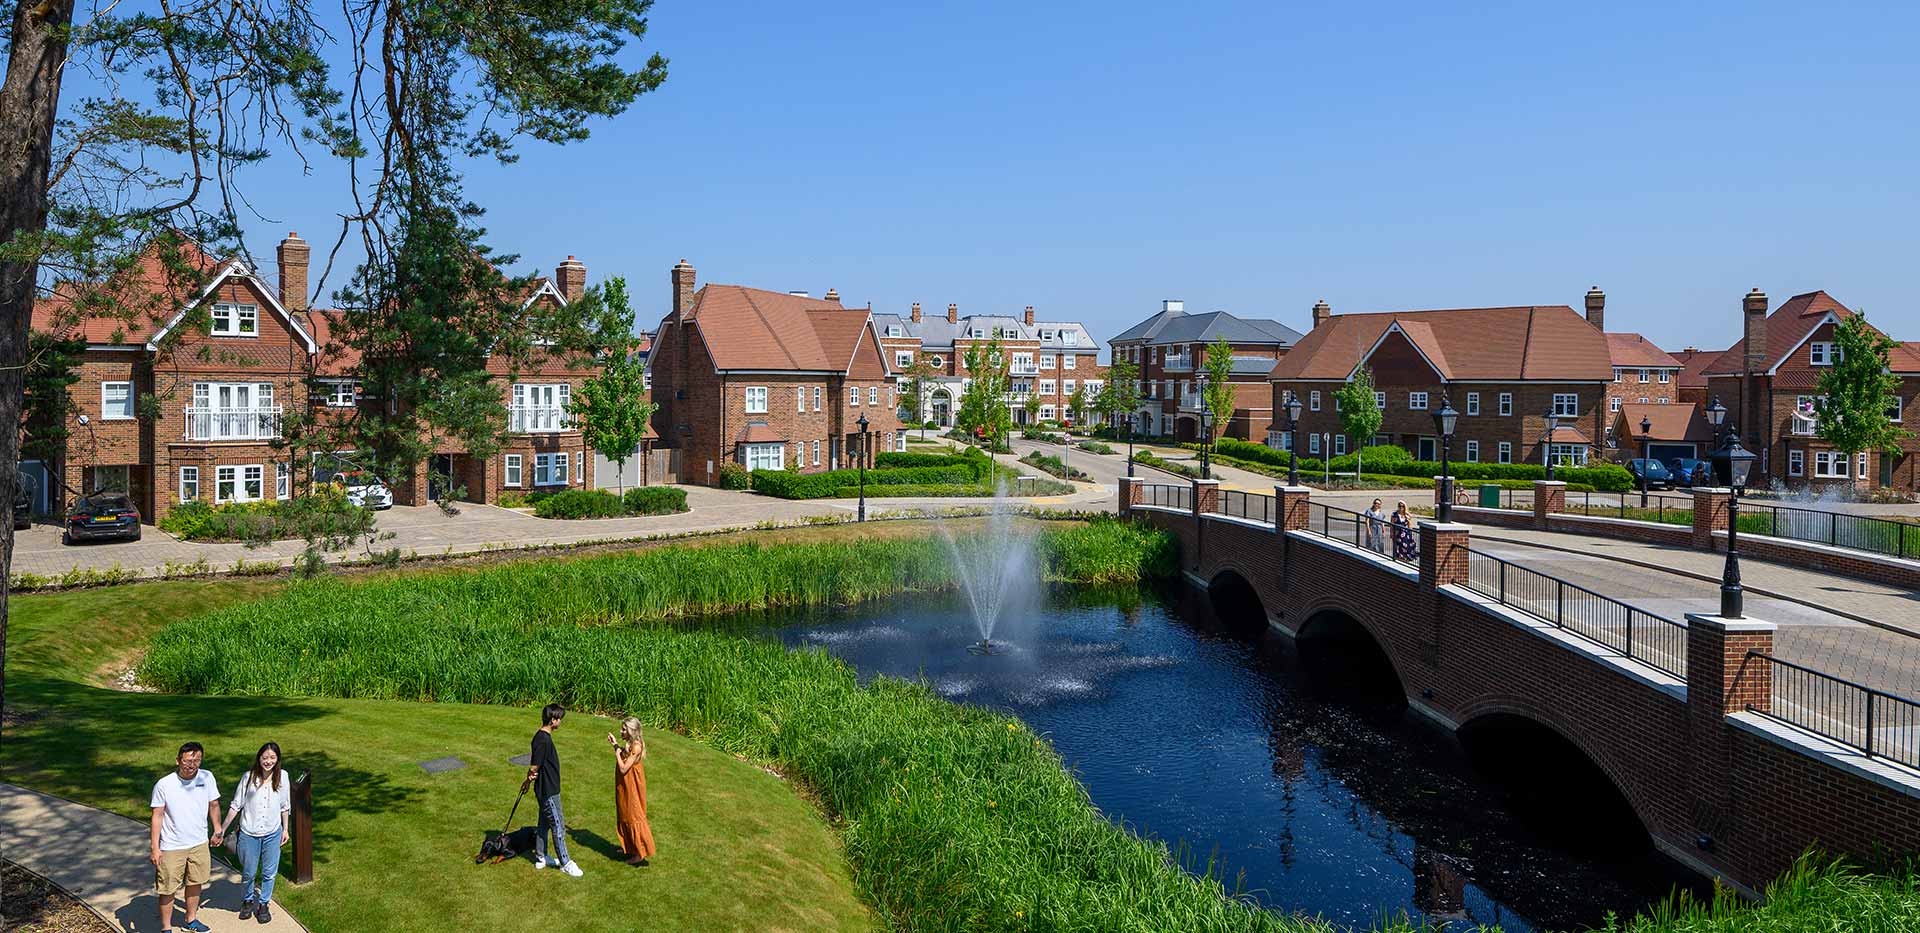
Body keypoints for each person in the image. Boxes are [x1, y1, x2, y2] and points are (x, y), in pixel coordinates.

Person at [151, 741, 222, 933]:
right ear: (178, 761)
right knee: (167, 889)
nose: (192, 765)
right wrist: (155, 848)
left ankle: (191, 920)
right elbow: (157, 815)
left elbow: (213, 804)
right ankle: (166, 928)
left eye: (197, 760)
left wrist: (217, 829)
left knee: (195, 882)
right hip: (172, 846)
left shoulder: (207, 777)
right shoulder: (164, 784)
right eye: (188, 760)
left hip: (199, 843)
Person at [220, 742, 291, 923]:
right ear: (259, 758)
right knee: (249, 872)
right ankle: (247, 900)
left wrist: (286, 829)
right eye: (265, 757)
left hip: (272, 833)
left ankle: (264, 903)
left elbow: (285, 806)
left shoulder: (283, 777)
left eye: (272, 758)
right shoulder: (248, 778)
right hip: (249, 833)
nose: (268, 761)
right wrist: (222, 829)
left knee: (269, 872)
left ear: (278, 759)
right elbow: (236, 805)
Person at [524, 703, 583, 876]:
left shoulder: (542, 737)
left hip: (547, 788)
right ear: (552, 720)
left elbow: (537, 766)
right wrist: (528, 779)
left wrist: (530, 778)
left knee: (544, 824)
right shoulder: (542, 739)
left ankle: (541, 857)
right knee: (558, 826)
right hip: (548, 791)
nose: (560, 722)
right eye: (559, 719)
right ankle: (565, 862)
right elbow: (534, 766)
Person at [609, 717, 656, 865]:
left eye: (624, 729)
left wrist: (616, 751)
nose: (621, 731)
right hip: (626, 784)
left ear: (631, 731)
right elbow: (625, 757)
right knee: (625, 812)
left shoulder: (636, 746)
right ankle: (630, 847)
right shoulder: (630, 744)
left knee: (633, 815)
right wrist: (616, 744)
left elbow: (624, 768)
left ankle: (639, 853)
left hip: (632, 785)